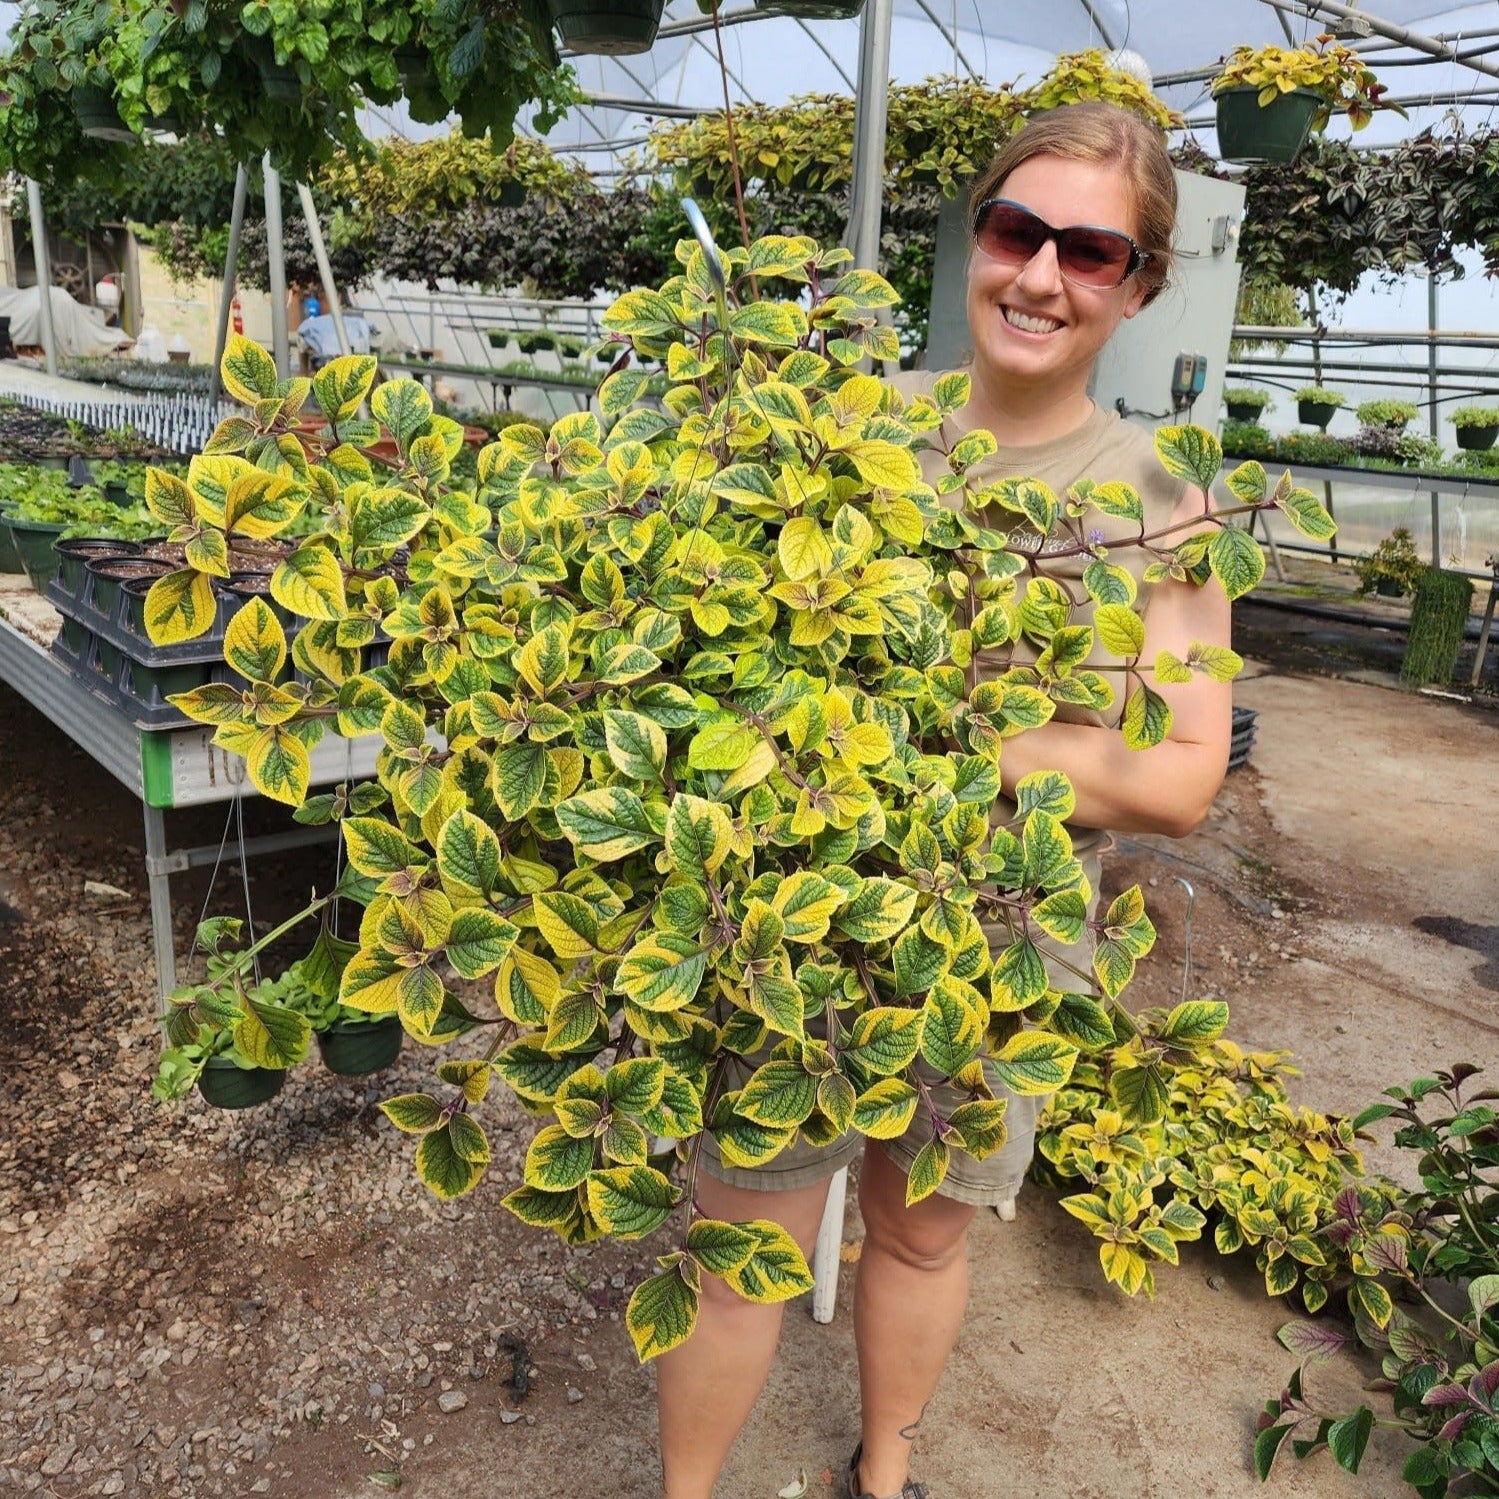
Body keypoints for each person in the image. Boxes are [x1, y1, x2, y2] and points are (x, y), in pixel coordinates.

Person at [654, 101, 1232, 1499]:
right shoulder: (851, 436)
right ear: (974, 238)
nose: (1040, 276)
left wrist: (937, 728)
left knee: (921, 1234)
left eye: (1090, 251)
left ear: (1141, 284)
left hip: (1005, 947)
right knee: (744, 1254)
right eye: (1016, 230)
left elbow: (1174, 780)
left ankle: (886, 1473)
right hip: (792, 927)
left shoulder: (1163, 497)